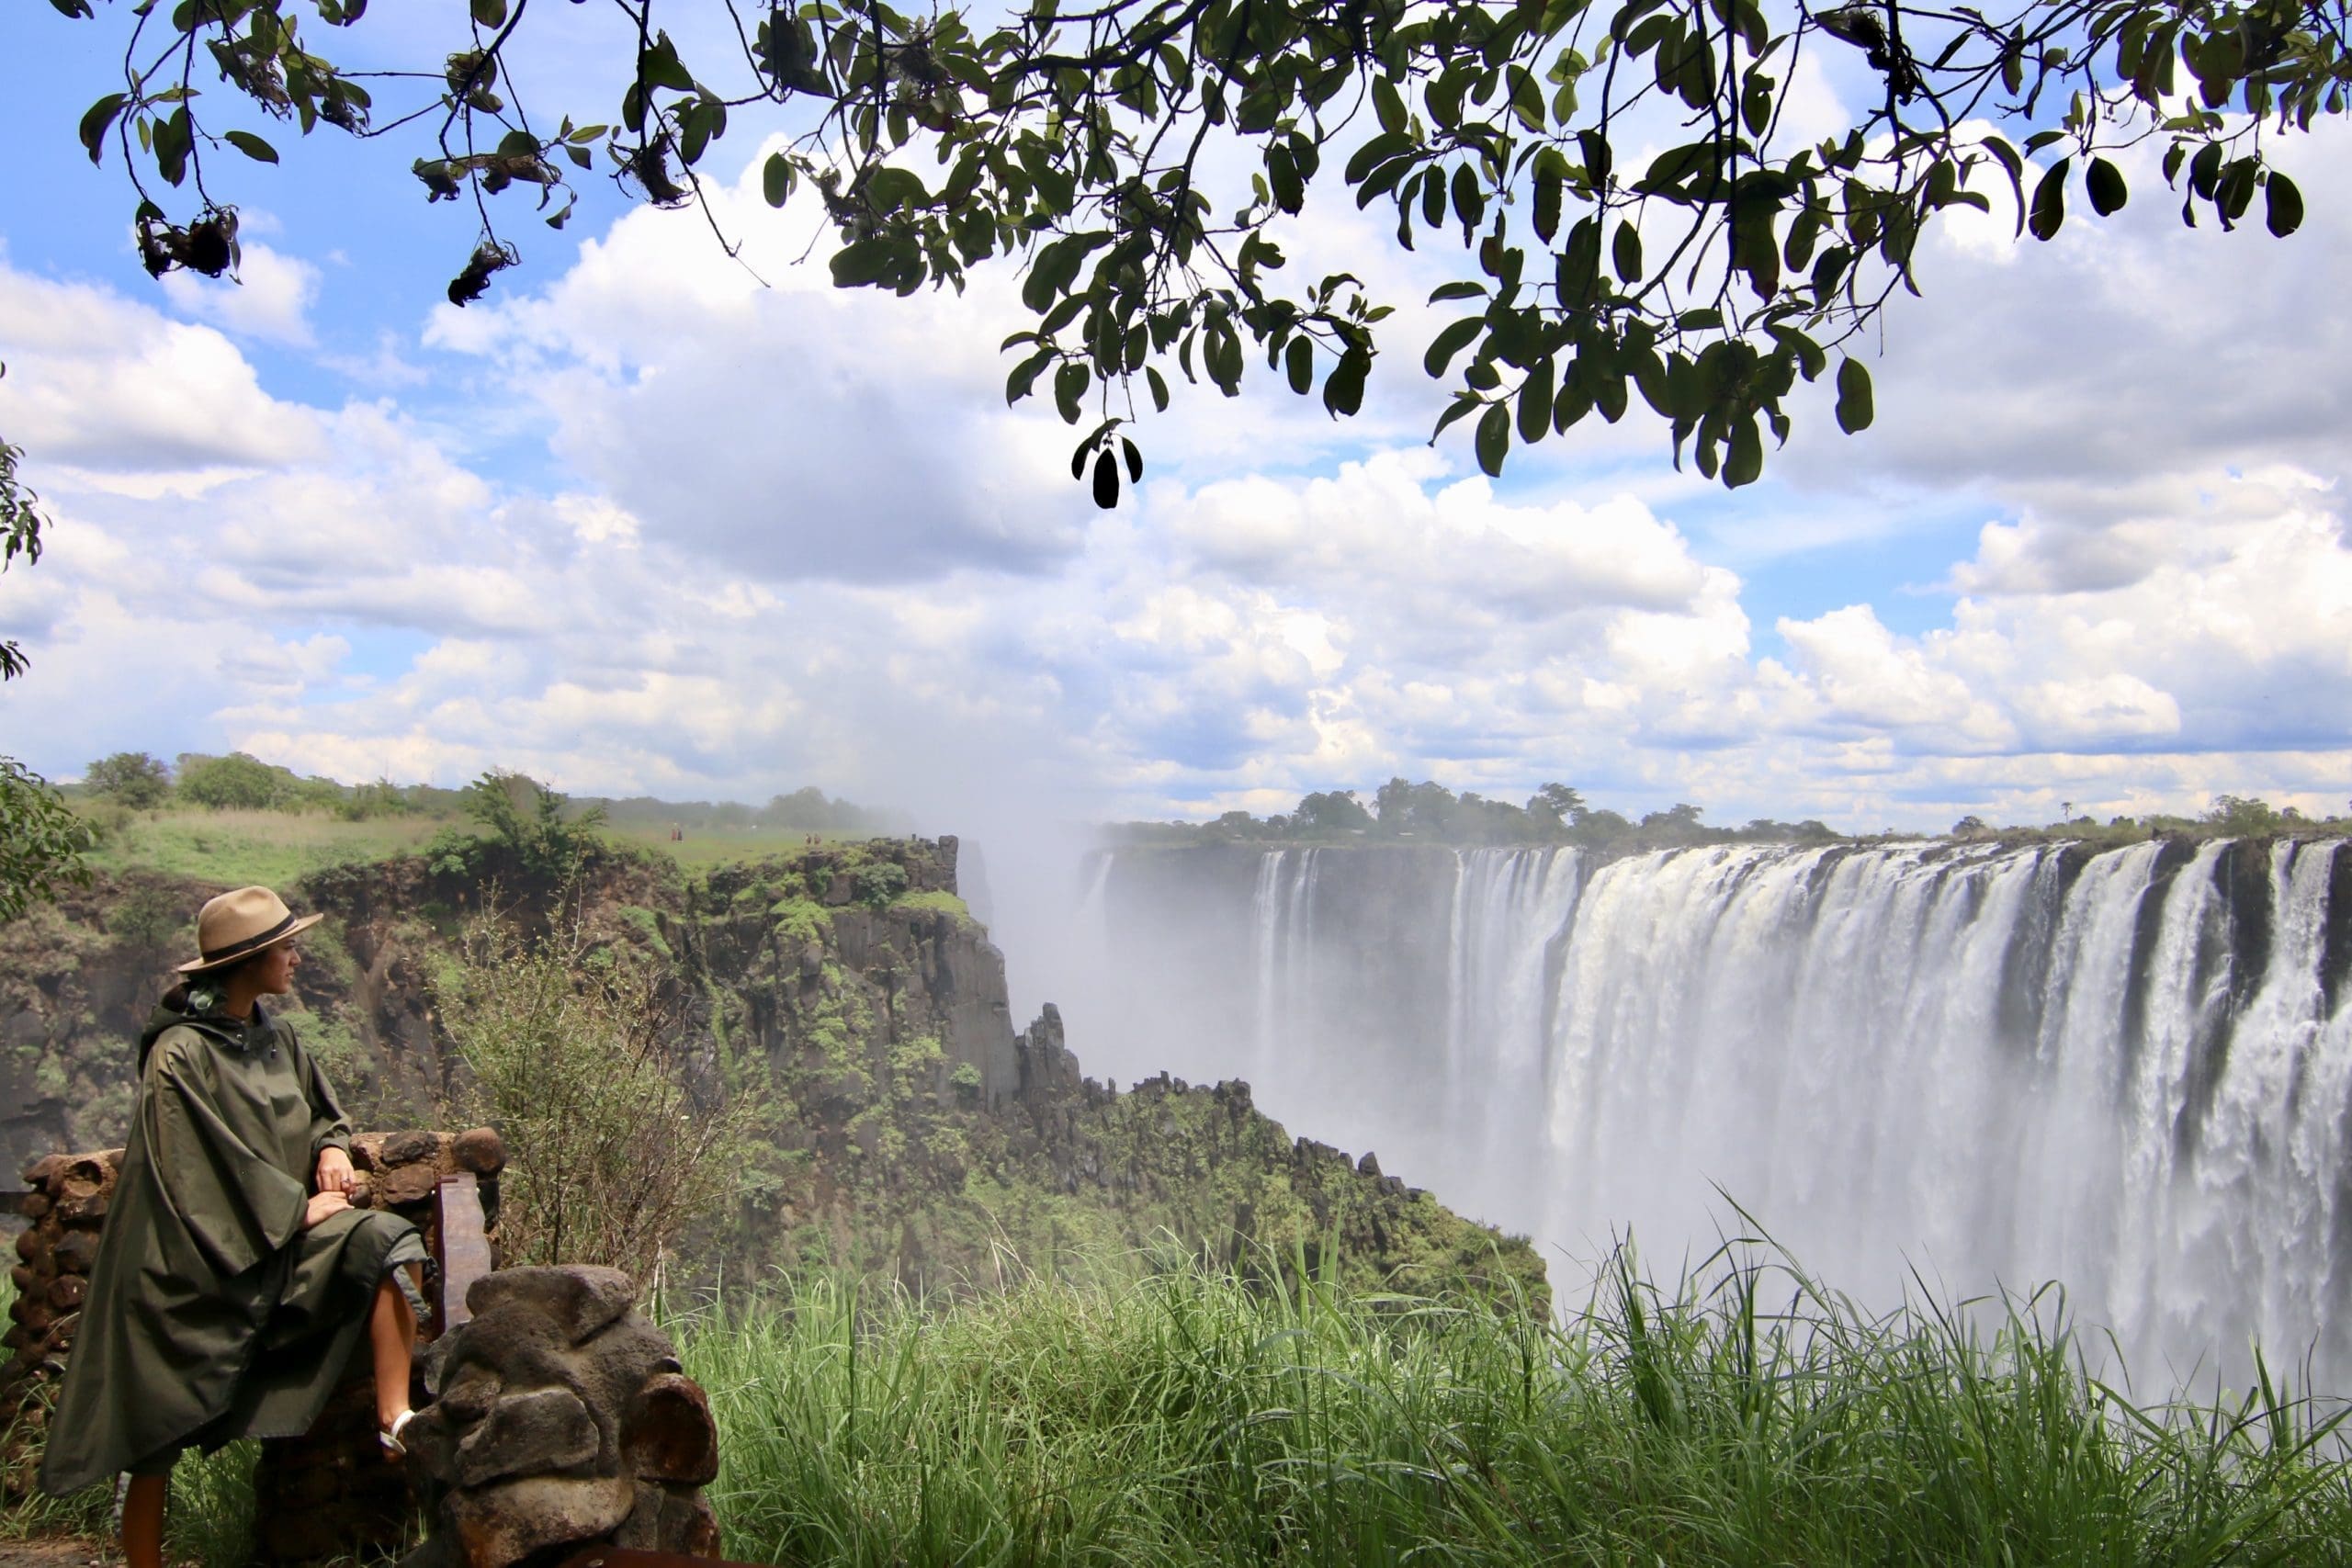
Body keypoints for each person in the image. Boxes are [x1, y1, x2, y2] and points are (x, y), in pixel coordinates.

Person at [36, 886, 430, 1568]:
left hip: (273, 1249)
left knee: (386, 1239)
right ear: (247, 961)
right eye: (285, 947)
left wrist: (333, 1147)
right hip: (187, 1268)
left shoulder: (275, 1036)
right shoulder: (179, 1055)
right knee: (151, 1437)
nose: (297, 957)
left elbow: (320, 1113)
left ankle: (395, 1418)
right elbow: (192, 1165)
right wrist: (294, 1209)